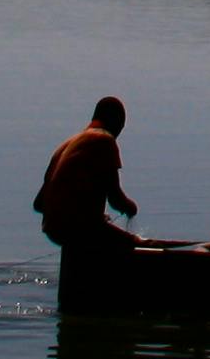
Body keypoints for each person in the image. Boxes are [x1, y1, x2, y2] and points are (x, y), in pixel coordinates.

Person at [34, 93, 140, 261]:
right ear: (116, 121)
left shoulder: (67, 145)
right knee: (134, 244)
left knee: (100, 233)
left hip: (53, 228)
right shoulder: (104, 140)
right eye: (121, 127)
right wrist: (131, 208)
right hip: (79, 228)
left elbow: (39, 204)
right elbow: (115, 199)